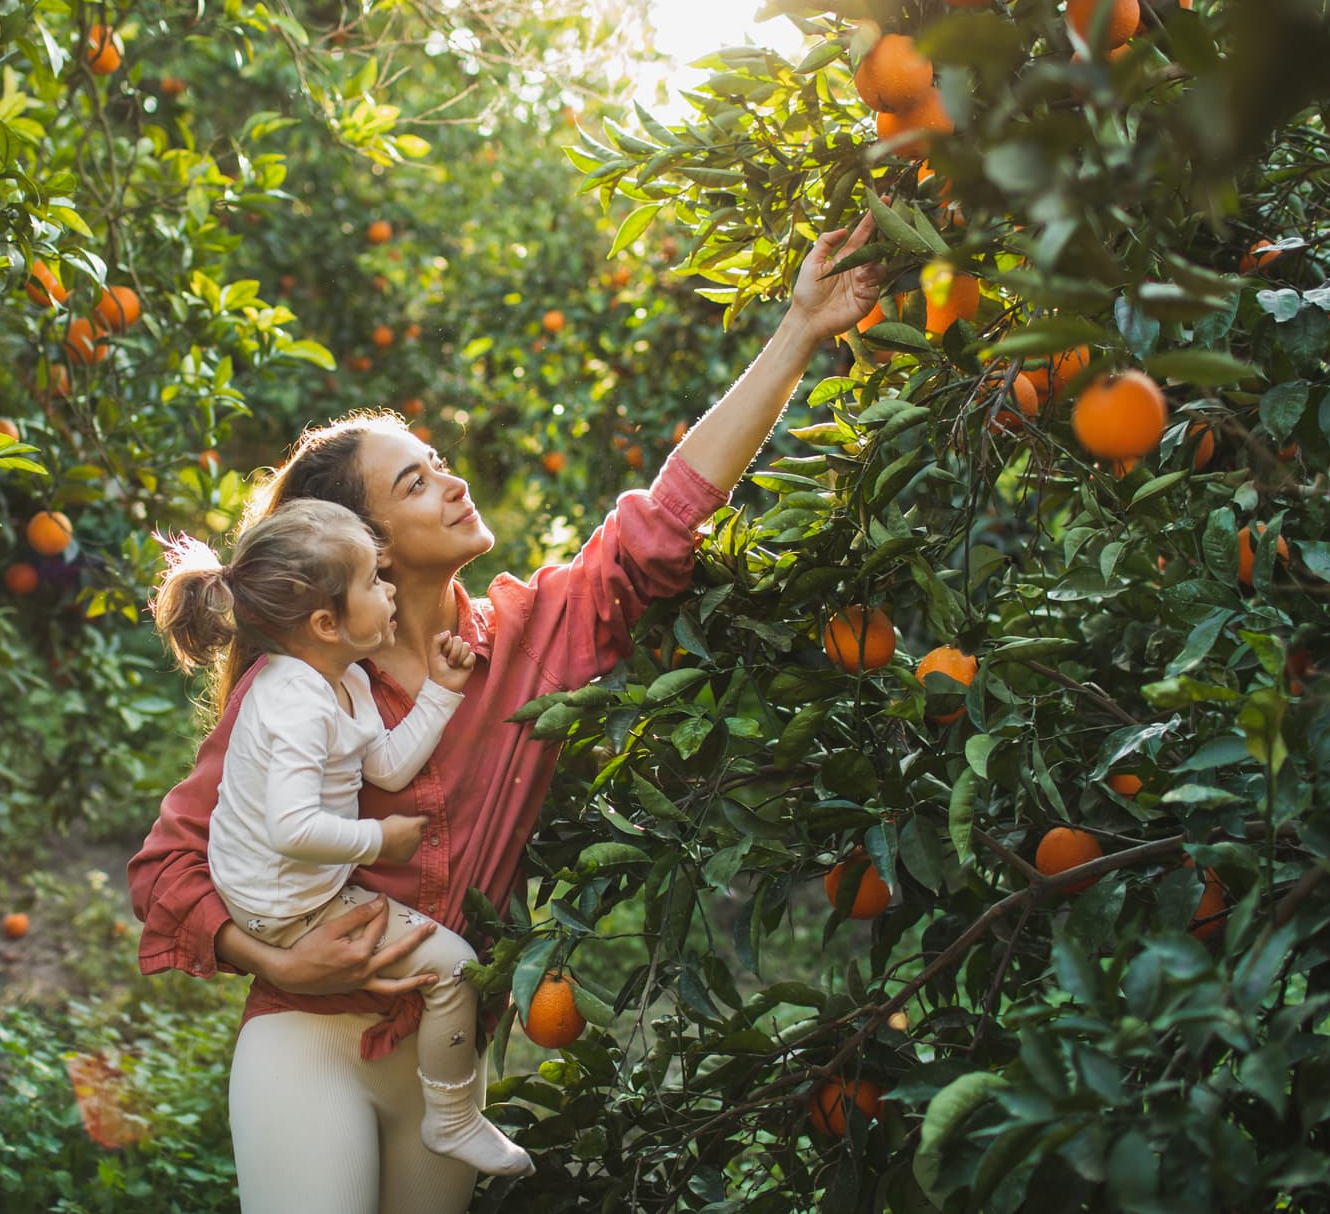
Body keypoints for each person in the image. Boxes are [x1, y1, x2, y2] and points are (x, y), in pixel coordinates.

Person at [129, 212, 883, 1214]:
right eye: (417, 479)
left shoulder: (534, 635)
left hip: (449, 1054)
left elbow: (661, 518)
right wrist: (269, 953)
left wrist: (798, 330)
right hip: (305, 1040)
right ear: (372, 549)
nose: (453, 479)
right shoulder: (298, 690)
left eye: (438, 458)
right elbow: (164, 867)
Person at [149, 499, 535, 1177]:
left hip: (294, 884)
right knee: (452, 969)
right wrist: (375, 839)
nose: (389, 591)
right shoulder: (293, 703)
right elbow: (291, 828)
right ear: (326, 622)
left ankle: (447, 1117)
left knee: (443, 964)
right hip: (281, 904)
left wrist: (441, 692)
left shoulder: (341, 677)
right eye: (372, 582)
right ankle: (452, 1119)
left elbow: (385, 763)